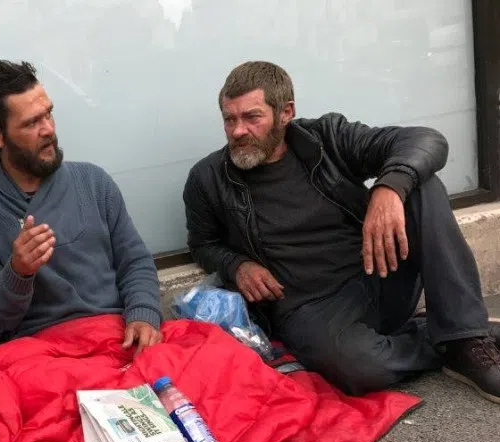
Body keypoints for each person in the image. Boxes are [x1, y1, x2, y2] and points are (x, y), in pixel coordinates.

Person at [183, 61, 500, 402]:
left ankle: (466, 341)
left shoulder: (327, 139)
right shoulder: (208, 179)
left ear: (285, 112)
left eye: (251, 117)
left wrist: (389, 187)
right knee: (362, 369)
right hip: (310, 307)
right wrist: (237, 266)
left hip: (378, 270)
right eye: (229, 119)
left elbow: (426, 140)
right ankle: (451, 335)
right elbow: (204, 244)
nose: (238, 131)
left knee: (419, 184)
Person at [0, 59, 163, 359]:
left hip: (116, 337)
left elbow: (135, 262)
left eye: (49, 114)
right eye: (31, 123)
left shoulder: (93, 182)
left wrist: (143, 313)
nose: (49, 129)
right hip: (39, 356)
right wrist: (18, 271)